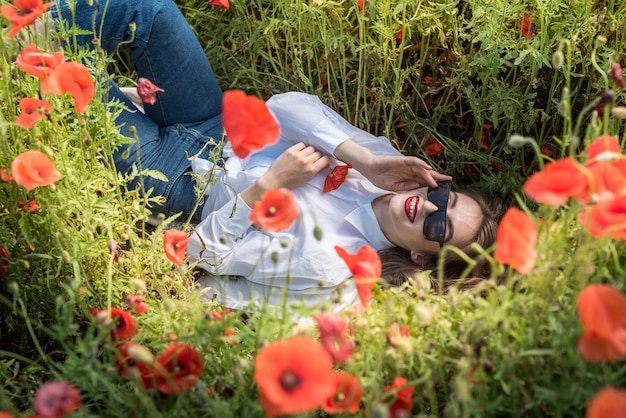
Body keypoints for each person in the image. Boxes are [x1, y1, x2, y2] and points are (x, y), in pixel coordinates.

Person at [51, 0, 504, 311]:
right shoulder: (383, 166)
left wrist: (267, 188)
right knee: (147, 9)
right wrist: (362, 158)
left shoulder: (330, 263)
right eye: (444, 198)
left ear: (423, 257)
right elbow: (284, 106)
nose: (426, 205)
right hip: (214, 122)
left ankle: (23, 37)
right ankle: (35, 23)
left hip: (176, 178)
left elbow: (201, 254)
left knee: (60, 71)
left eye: (437, 226)